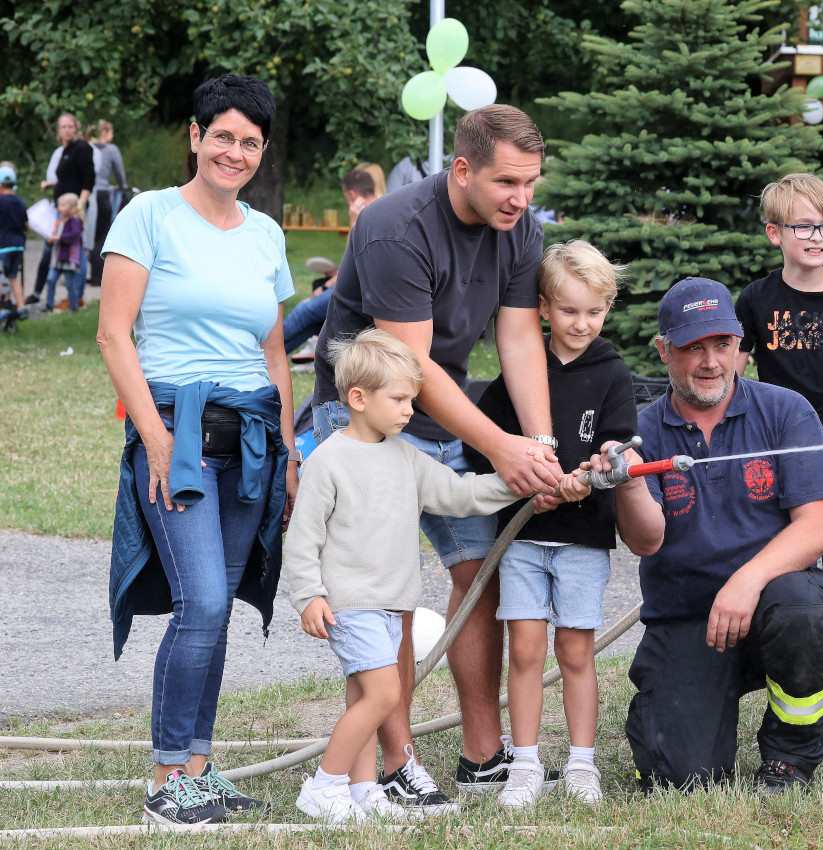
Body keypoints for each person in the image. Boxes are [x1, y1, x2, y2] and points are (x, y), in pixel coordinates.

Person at [310, 104, 561, 804]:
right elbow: (409, 365)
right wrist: (499, 448)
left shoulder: (521, 230)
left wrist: (535, 447)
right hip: (366, 415)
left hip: (442, 409)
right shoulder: (394, 226)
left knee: (477, 573)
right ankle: (395, 764)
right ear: (461, 169)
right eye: (508, 182)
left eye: (532, 182)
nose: (521, 198)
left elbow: (517, 340)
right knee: (381, 595)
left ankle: (482, 754)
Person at [97, 74, 298, 825]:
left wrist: (287, 442)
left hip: (251, 439)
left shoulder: (266, 233)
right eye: (223, 137)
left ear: (261, 149)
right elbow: (114, 334)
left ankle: (200, 769)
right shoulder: (148, 215)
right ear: (196, 136)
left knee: (220, 610)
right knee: (202, 599)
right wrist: (152, 435)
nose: (235, 152)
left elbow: (273, 350)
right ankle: (163, 784)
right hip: (176, 432)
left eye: (250, 142)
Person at [588, 276, 823, 793]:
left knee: (805, 612)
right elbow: (645, 542)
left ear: (738, 346)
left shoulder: (786, 410)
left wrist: (747, 581)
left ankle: (789, 754)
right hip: (689, 619)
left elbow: (817, 529)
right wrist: (630, 483)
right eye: (693, 348)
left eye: (722, 345)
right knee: (682, 779)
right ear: (664, 351)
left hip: (774, 601)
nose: (710, 362)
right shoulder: (644, 431)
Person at [284, 329, 520, 822]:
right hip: (350, 603)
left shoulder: (406, 458)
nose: (411, 409)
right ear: (358, 398)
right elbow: (302, 539)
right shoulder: (328, 462)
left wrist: (517, 483)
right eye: (399, 399)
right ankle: (324, 786)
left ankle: (364, 790)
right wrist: (308, 595)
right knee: (385, 694)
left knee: (362, 695)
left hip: (391, 604)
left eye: (413, 398)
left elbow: (461, 497)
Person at [466, 241, 638, 807]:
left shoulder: (612, 371)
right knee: (525, 650)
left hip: (585, 538)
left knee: (576, 650)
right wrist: (520, 484)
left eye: (594, 311)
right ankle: (525, 764)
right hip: (521, 538)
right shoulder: (522, 367)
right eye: (569, 311)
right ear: (542, 307)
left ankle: (582, 764)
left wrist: (593, 470)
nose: (582, 323)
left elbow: (621, 447)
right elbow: (481, 446)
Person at [734, 173, 823, 755]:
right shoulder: (757, 300)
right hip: (784, 457)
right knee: (789, 575)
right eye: (802, 226)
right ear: (775, 233)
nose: (816, 236)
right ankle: (790, 690)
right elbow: (735, 374)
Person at [283, 168, 378, 354]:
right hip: (361, 286)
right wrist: (326, 285)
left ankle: (256, 353)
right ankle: (266, 359)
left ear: (352, 194)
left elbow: (353, 260)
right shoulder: (385, 205)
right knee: (314, 322)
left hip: (358, 291)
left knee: (302, 313)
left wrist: (353, 221)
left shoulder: (367, 214)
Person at [31, 112, 94, 305]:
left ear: (76, 128)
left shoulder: (82, 148)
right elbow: (68, 179)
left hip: (73, 210)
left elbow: (88, 180)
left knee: (76, 252)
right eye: (63, 127)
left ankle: (78, 296)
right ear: (59, 131)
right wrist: (51, 185)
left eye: (70, 126)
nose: (67, 130)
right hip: (61, 208)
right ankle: (44, 295)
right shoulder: (65, 150)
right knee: (57, 249)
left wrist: (79, 206)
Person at [87, 119, 127, 286]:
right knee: (102, 236)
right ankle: (98, 278)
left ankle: (84, 274)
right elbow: (119, 172)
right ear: (105, 133)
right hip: (102, 195)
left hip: (87, 194)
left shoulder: (86, 147)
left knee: (87, 236)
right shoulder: (111, 150)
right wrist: (123, 186)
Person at [42, 192, 85, 312]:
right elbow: (54, 236)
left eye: (62, 205)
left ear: (72, 207)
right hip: (57, 258)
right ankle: (49, 305)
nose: (59, 208)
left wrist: (59, 238)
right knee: (50, 279)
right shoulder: (59, 222)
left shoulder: (75, 221)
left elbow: (74, 235)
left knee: (70, 284)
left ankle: (74, 307)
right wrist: (51, 240)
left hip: (69, 258)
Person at [0, 165, 29, 317]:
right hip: (18, 244)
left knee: (2, 277)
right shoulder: (20, 202)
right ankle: (21, 307)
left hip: (3, 245)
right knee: (12, 276)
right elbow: (26, 225)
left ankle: (4, 307)